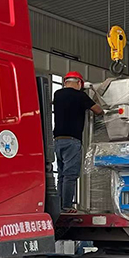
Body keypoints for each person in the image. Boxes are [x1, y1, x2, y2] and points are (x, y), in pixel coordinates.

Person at [53, 71, 104, 212]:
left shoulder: (57, 94)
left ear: (65, 82)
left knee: (62, 175)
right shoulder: (80, 96)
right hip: (72, 141)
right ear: (80, 83)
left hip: (57, 141)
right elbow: (98, 110)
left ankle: (60, 206)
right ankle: (67, 206)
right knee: (70, 175)